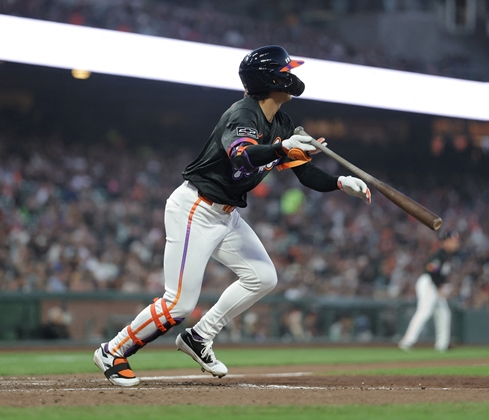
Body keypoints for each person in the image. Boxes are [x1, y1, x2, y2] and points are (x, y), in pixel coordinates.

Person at [93, 45, 371, 387]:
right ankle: (113, 351)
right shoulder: (243, 114)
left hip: (226, 214)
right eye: (286, 71)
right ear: (270, 79)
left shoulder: (282, 122)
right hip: (196, 207)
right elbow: (243, 156)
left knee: (263, 277)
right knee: (178, 304)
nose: (292, 76)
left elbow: (305, 172)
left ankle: (199, 337)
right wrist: (282, 147)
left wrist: (339, 182)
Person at [398, 230, 459, 352]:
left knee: (444, 314)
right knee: (424, 312)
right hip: (429, 284)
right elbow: (430, 268)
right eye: (453, 240)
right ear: (445, 242)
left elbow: (440, 272)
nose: (456, 243)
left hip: (435, 285)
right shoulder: (440, 254)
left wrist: (442, 285)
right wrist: (440, 285)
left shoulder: (448, 255)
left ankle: (442, 345)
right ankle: (406, 342)